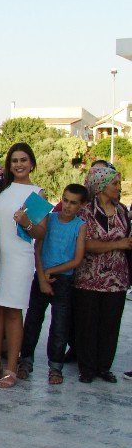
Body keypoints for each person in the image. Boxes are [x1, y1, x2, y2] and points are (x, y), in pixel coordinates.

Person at [0, 142, 47, 388]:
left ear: (31, 163)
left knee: (13, 313)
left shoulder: (38, 193)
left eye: (23, 160)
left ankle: (11, 368)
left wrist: (27, 221)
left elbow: (40, 233)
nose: (19, 164)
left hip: (20, 258)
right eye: (14, 161)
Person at [18, 184, 87, 384]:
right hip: (41, 276)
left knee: (60, 325)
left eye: (73, 203)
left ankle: (55, 367)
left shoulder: (80, 226)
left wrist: (51, 271)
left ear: (81, 205)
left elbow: (77, 259)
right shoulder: (50, 218)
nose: (67, 206)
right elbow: (37, 247)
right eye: (65, 200)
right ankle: (25, 361)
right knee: (32, 321)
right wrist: (42, 276)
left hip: (63, 280)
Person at [72, 164, 131, 384]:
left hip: (117, 279)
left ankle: (104, 367)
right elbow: (86, 244)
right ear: (102, 186)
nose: (118, 187)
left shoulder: (122, 211)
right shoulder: (86, 212)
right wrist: (119, 244)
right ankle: (86, 368)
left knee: (110, 324)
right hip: (88, 279)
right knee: (87, 325)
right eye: (115, 183)